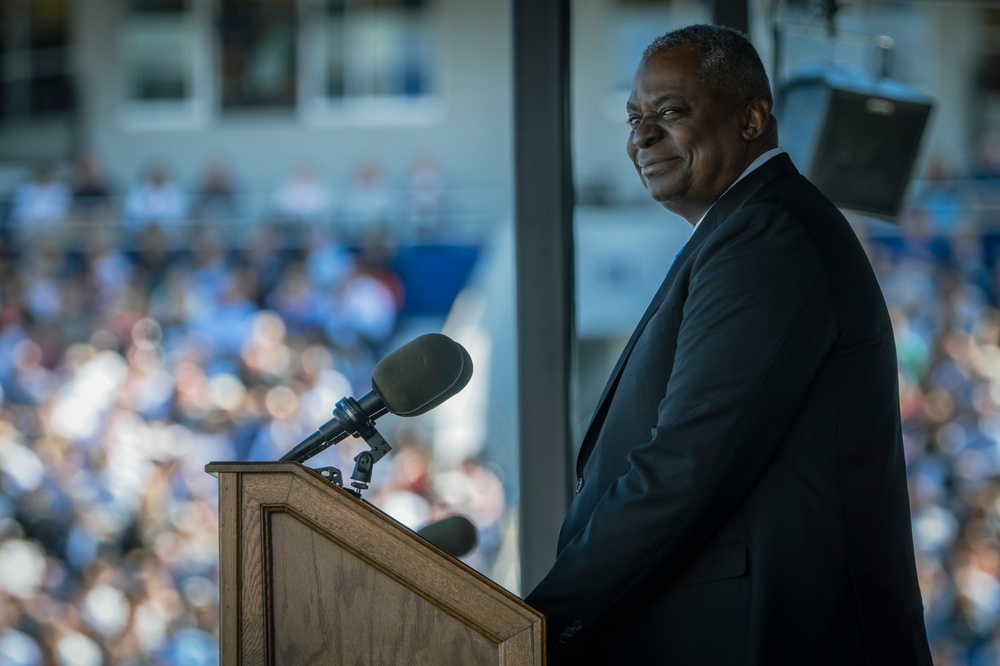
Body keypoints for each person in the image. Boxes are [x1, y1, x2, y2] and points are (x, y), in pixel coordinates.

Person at [524, 24, 933, 664]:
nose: (641, 136)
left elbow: (687, 465)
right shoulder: (749, 228)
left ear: (751, 119)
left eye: (671, 111)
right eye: (634, 117)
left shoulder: (767, 236)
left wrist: (533, 629)